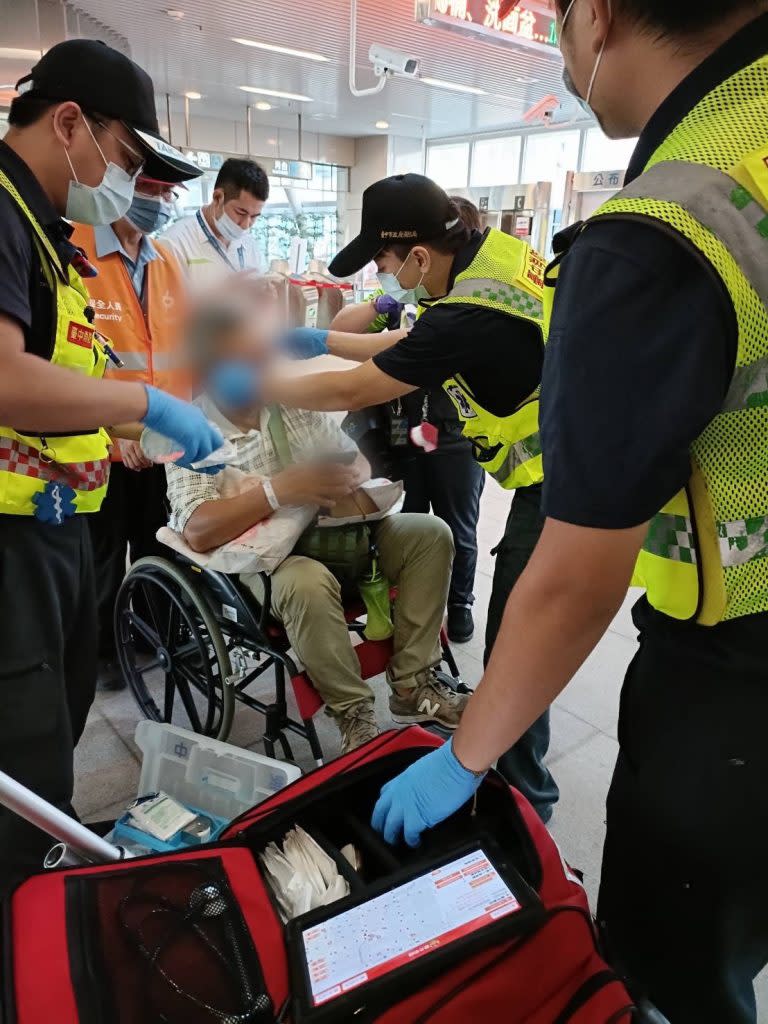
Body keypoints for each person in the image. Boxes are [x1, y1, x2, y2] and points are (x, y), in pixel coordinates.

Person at [371, 2, 768, 1022]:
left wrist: (468, 755)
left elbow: (577, 575)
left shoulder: (667, 224)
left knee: (673, 972)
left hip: (734, 680)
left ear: (594, 18)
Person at [0, 38, 225, 887]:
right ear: (69, 124)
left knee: (48, 751)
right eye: (128, 160)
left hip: (51, 528)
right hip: (11, 549)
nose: (131, 186)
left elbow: (64, 376)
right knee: (24, 770)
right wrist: (141, 404)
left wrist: (134, 423)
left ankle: (44, 883)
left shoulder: (40, 226)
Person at [272, 173, 559, 823]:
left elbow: (357, 390)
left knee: (519, 649)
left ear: (420, 256)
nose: (380, 272)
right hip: (568, 465)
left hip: (561, 487)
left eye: (383, 259)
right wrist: (323, 342)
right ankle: (515, 784)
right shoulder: (491, 263)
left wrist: (267, 384)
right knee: (521, 641)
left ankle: (522, 805)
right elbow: (404, 343)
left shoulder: (468, 311)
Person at [165, 292, 464, 753]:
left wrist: (353, 477)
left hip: (345, 537)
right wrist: (278, 490)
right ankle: (353, 714)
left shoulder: (294, 405)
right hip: (273, 567)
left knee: (430, 534)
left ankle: (412, 684)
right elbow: (198, 530)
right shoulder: (189, 432)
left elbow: (354, 460)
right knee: (307, 580)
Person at [328, 196, 486, 646]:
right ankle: (411, 601)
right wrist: (386, 298)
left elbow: (380, 357)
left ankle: (459, 603)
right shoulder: (408, 298)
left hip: (456, 434)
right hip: (408, 433)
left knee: (460, 524)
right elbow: (345, 325)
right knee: (411, 521)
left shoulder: (465, 310)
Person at [69, 175, 191, 691]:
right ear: (118, 187)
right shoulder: (73, 251)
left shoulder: (165, 260)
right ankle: (101, 651)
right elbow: (66, 362)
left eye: (169, 194)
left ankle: (154, 633)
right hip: (100, 444)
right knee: (101, 555)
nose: (161, 203)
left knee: (158, 543)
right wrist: (112, 433)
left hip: (163, 443)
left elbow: (185, 348)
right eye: (152, 190)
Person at [161, 157, 269, 288]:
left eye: (254, 217)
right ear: (218, 198)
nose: (245, 225)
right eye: (240, 213)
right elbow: (164, 305)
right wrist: (219, 297)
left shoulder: (249, 243)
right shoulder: (175, 243)